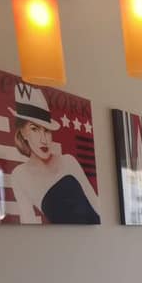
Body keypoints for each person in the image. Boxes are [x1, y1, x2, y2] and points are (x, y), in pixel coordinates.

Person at [8, 83, 99, 224]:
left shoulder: (68, 161)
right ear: (23, 133)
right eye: (35, 129)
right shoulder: (20, 175)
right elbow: (28, 222)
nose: (43, 139)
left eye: (47, 130)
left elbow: (95, 203)